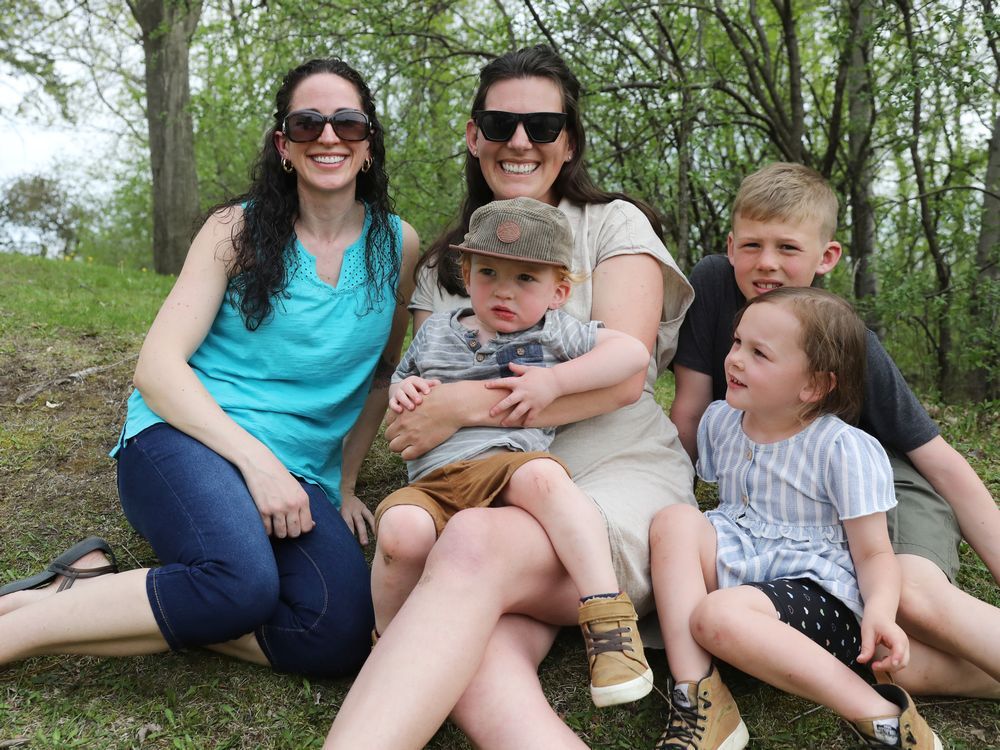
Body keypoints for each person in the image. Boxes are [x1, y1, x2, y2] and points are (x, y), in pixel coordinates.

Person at [325, 44, 696, 749]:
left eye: (543, 127)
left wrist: (467, 406)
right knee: (475, 653)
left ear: (570, 142)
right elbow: (420, 412)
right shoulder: (449, 266)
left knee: (466, 547)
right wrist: (429, 410)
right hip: (489, 492)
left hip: (615, 481)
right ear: (474, 137)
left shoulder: (613, 225)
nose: (519, 142)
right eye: (499, 124)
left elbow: (622, 372)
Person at [0, 57, 419, 678]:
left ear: (369, 143)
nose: (328, 137)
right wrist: (257, 464)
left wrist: (347, 483)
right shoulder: (236, 229)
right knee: (241, 585)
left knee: (337, 636)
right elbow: (158, 367)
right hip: (184, 438)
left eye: (347, 123)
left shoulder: (398, 245)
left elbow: (381, 373)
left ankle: (86, 589)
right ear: (284, 144)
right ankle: (19, 628)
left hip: (297, 474)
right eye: (307, 124)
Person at [663, 161, 1000, 700]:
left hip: (885, 480)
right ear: (730, 247)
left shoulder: (844, 340)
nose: (766, 263)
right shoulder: (713, 284)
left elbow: (938, 461)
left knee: (908, 596)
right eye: (752, 245)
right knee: (879, 646)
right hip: (791, 499)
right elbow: (690, 412)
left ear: (827, 258)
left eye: (788, 249)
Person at [375, 196, 655, 707]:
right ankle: (387, 645)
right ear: (466, 271)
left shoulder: (553, 331)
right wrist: (404, 393)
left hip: (505, 463)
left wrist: (554, 383)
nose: (504, 291)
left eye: (527, 278)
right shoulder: (438, 327)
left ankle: (608, 620)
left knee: (544, 479)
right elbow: (405, 379)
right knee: (400, 532)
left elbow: (632, 353)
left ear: (559, 290)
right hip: (432, 479)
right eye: (488, 272)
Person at [652, 287, 941, 750]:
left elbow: (873, 552)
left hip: (816, 593)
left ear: (813, 386)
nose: (735, 360)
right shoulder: (721, 420)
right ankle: (698, 695)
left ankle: (884, 718)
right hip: (743, 563)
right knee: (673, 520)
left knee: (717, 616)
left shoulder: (841, 448)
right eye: (736, 343)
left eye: (759, 353)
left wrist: (881, 612)